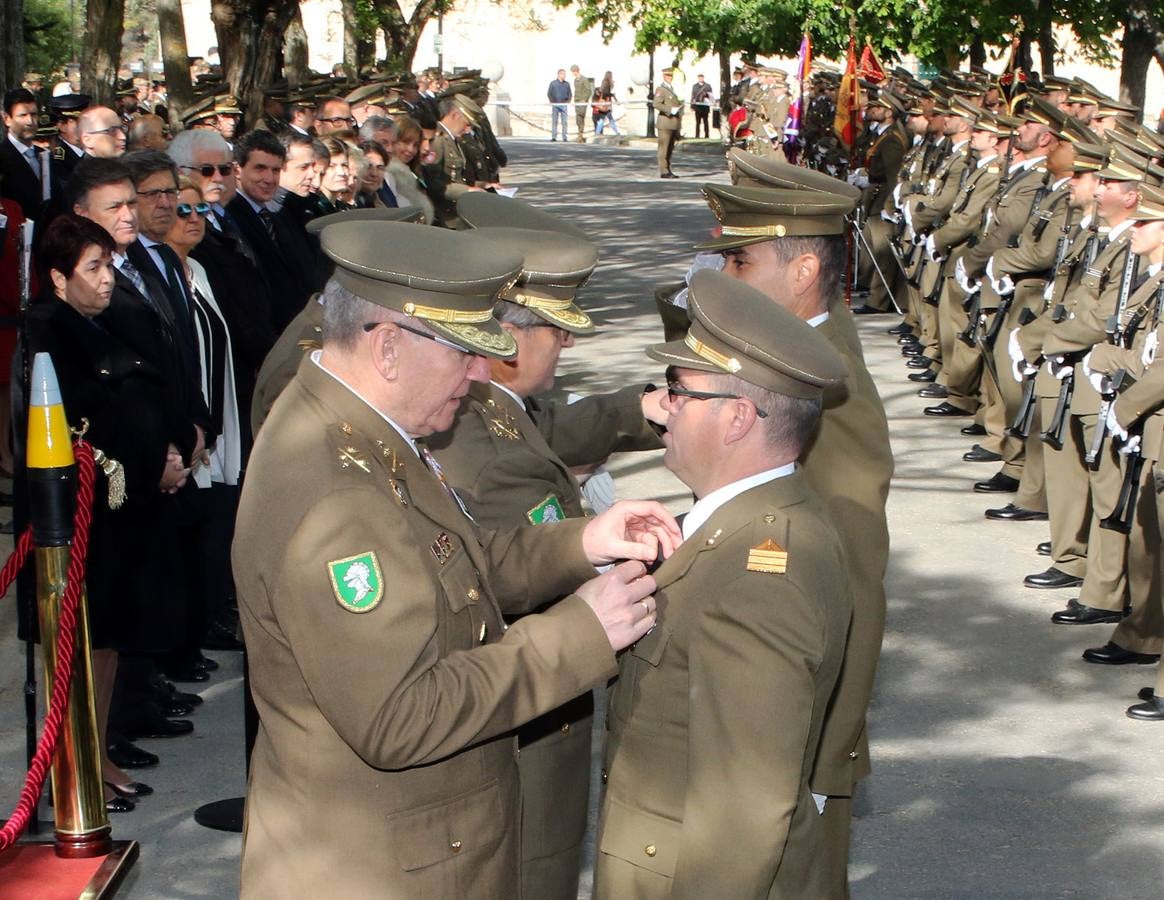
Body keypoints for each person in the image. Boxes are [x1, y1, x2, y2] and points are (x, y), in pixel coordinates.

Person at [233, 219, 680, 896]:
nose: (480, 372)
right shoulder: (338, 493)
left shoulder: (365, 427)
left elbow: (453, 563)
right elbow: (398, 716)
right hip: (383, 868)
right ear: (387, 347)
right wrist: (577, 635)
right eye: (463, 351)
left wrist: (582, 544)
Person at [593, 268, 852, 898]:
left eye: (680, 392)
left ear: (737, 419)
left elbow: (745, 806)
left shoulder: (758, 574)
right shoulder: (733, 527)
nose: (664, 407)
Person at [427, 224, 665, 900]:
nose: (565, 343)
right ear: (505, 336)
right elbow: (523, 556)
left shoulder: (498, 416)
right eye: (552, 330)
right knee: (533, 868)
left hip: (522, 699)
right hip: (527, 714)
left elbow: (544, 437)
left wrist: (633, 411)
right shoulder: (485, 443)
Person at [165, 178, 245, 664]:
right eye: (181, 210)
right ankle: (185, 637)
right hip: (190, 428)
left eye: (198, 209)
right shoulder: (159, 276)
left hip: (217, 418)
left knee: (215, 525)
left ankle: (207, 620)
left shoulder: (197, 268)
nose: (193, 218)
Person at [2, 88, 48, 220]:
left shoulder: (44, 156)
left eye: (33, 114)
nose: (30, 121)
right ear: (6, 119)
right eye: (22, 115)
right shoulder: (3, 158)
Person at [387, 117, 435, 223]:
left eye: (415, 145)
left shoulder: (414, 172)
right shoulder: (389, 174)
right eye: (405, 142)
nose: (411, 150)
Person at [653, 68, 682, 179]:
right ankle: (664, 171)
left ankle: (668, 169)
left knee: (669, 149)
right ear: (664, 76)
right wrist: (670, 110)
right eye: (668, 76)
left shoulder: (671, 89)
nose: (670, 78)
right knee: (663, 148)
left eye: (671, 76)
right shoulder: (661, 89)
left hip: (673, 123)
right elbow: (656, 104)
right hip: (665, 123)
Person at [315, 137, 355, 217]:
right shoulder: (313, 209)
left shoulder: (345, 209)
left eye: (344, 165)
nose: (342, 172)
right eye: (331, 166)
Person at [571, 65, 594, 142]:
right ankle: (579, 133)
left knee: (581, 116)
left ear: (576, 71)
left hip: (582, 102)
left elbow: (589, 91)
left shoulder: (584, 79)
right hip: (577, 101)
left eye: (573, 72)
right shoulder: (575, 80)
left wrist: (584, 99)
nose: (572, 73)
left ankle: (580, 134)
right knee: (578, 118)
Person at [548, 69, 572, 142]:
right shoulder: (553, 83)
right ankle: (554, 137)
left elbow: (570, 94)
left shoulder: (567, 84)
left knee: (564, 122)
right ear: (559, 74)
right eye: (563, 74)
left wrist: (568, 101)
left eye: (565, 74)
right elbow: (549, 93)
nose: (565, 76)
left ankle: (564, 137)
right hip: (555, 105)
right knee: (554, 121)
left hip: (564, 105)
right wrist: (552, 102)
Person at [691, 73, 713, 139]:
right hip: (697, 107)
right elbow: (692, 96)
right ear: (698, 78)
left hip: (705, 106)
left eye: (702, 77)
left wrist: (705, 95)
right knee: (698, 122)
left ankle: (707, 135)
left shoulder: (708, 86)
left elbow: (711, 96)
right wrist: (692, 106)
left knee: (706, 122)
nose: (701, 79)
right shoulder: (694, 86)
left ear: (703, 78)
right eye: (699, 77)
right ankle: (697, 135)